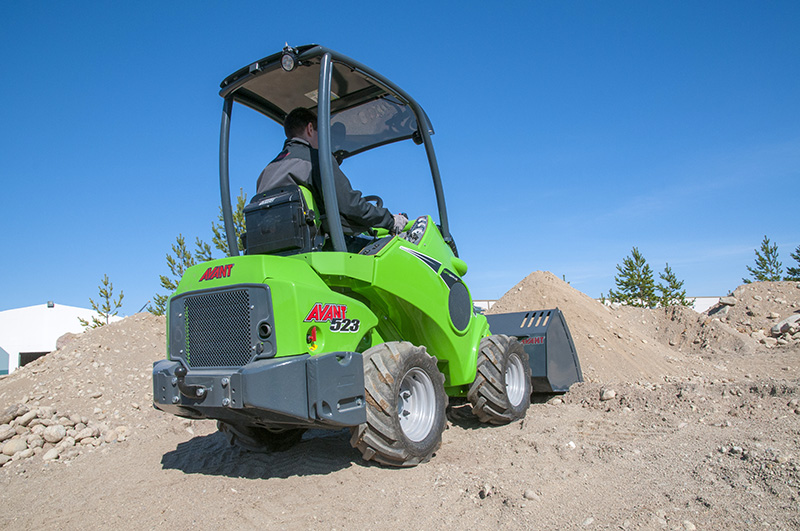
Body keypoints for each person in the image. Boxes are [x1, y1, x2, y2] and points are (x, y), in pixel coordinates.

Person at [257, 108, 407, 239]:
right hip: (322, 247)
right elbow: (350, 205)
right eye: (319, 133)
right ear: (310, 129)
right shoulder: (317, 160)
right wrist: (390, 220)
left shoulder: (267, 171)